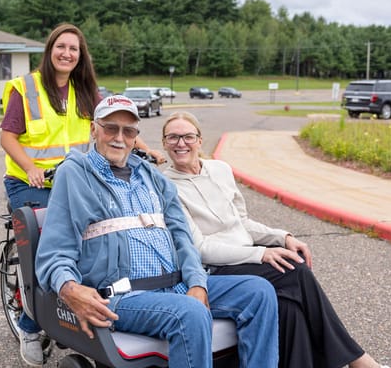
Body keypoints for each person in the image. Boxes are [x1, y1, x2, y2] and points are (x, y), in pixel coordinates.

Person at [36, 95, 279, 368]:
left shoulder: (151, 176)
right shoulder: (75, 174)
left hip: (175, 284)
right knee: (190, 313)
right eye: (110, 128)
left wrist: (197, 283)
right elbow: (55, 251)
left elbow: (182, 236)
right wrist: (68, 289)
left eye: (128, 131)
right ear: (94, 129)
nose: (119, 137)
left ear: (135, 136)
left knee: (259, 292)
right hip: (123, 296)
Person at [161, 111, 390, 368]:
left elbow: (243, 222)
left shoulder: (220, 169)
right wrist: (262, 253)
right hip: (217, 267)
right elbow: (201, 249)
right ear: (164, 143)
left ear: (200, 140)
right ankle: (359, 360)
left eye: (188, 136)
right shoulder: (166, 186)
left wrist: (282, 236)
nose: (181, 143)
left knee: (289, 306)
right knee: (295, 270)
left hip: (245, 254)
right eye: (173, 137)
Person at [0, 23, 163, 366]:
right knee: (47, 243)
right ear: (50, 49)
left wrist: (150, 150)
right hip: (33, 183)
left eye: (74, 48)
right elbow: (8, 137)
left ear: (80, 55)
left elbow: (115, 125)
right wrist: (30, 167)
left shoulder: (86, 91)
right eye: (61, 46)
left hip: (76, 178)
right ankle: (31, 323)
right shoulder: (25, 88)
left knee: (99, 232)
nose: (67, 53)